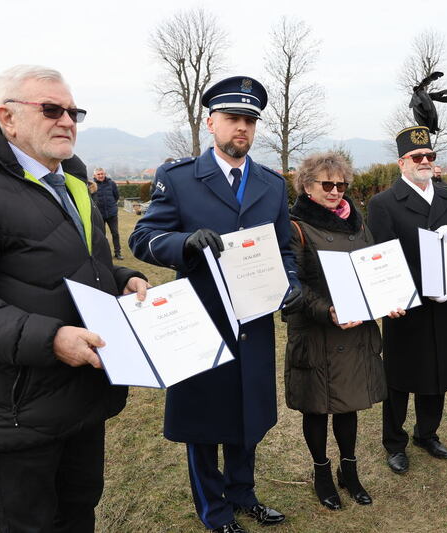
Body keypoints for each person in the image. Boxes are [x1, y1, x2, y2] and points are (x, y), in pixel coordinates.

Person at [0, 65, 149, 532]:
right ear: (8, 117)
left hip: (82, 398)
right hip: (17, 407)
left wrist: (121, 277)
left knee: (79, 513)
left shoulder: (71, 181)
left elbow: (72, 262)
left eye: (73, 111)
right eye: (52, 109)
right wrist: (51, 338)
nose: (67, 121)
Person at [129, 75, 302, 533]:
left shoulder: (271, 184)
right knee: (205, 425)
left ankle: (243, 494)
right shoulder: (179, 177)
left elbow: (284, 247)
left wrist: (291, 281)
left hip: (255, 321)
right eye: (232, 119)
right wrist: (185, 242)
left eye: (249, 120)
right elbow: (143, 239)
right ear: (211, 123)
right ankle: (216, 512)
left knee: (248, 417)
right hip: (201, 321)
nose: (241, 128)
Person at [285, 152, 404, 510]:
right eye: (327, 184)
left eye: (341, 184)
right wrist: (327, 311)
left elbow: (374, 268)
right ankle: (322, 472)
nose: (336, 191)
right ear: (307, 187)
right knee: (317, 408)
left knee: (349, 405)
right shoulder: (295, 226)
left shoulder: (357, 222)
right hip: (318, 332)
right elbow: (291, 286)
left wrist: (390, 298)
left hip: (355, 331)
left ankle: (349, 471)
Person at [367, 126, 447, 475]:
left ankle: (427, 433)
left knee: (438, 372)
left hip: (444, 302)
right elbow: (379, 255)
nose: (425, 161)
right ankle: (394, 442)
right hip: (406, 304)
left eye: (430, 156)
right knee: (399, 377)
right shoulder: (384, 203)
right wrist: (392, 296)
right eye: (418, 157)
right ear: (402, 162)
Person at [92, 167, 123, 259]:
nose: (101, 176)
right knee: (102, 235)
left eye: (102, 174)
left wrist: (112, 206)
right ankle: (104, 254)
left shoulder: (111, 184)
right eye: (98, 174)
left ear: (105, 174)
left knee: (115, 233)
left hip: (112, 213)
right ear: (94, 175)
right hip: (99, 215)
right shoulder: (91, 185)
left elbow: (116, 196)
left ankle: (118, 253)